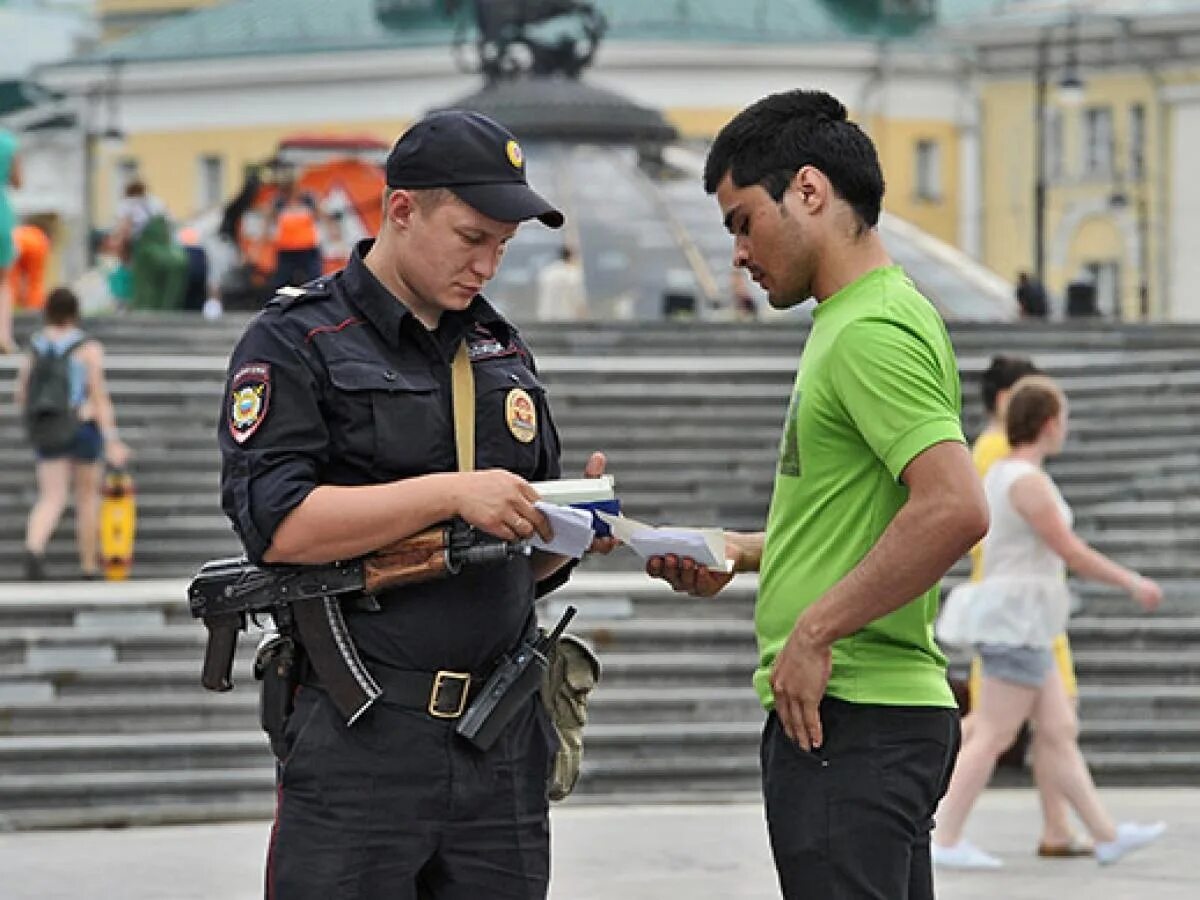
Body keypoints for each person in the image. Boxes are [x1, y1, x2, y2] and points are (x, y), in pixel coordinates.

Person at [219, 109, 612, 899]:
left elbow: (517, 558)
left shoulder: (500, 348)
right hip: (363, 733)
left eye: (502, 246)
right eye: (472, 238)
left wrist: (570, 533)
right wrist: (451, 493)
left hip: (499, 737)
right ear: (401, 209)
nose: (488, 265)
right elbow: (279, 525)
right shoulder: (298, 339)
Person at [646, 89, 989, 899]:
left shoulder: (867, 331)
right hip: (868, 720)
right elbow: (874, 517)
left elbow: (955, 507)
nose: (737, 251)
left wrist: (814, 630)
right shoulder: (867, 315)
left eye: (741, 222)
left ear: (808, 191)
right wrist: (749, 550)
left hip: (852, 716)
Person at [932, 375, 1166, 868]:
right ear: (1048, 423)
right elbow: (1069, 550)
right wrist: (1131, 581)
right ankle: (944, 835)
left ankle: (1104, 835)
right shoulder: (1025, 481)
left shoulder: (1004, 474)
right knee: (994, 733)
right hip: (1017, 621)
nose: (1065, 428)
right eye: (1062, 419)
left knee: (1057, 728)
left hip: (1024, 621)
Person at [962, 354, 1091, 857]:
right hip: (1017, 604)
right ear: (1005, 400)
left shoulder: (991, 449)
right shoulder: (998, 452)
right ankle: (936, 814)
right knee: (992, 727)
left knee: (1049, 721)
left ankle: (1059, 826)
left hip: (1023, 601)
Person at [14, 287, 131, 580]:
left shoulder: (37, 346)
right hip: (82, 426)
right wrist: (112, 438)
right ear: (75, 312)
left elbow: (21, 394)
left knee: (51, 496)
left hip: (49, 428)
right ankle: (88, 565)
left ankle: (34, 547)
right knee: (87, 497)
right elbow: (99, 396)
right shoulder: (87, 348)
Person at [113, 180, 187, 311]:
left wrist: (122, 253)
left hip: (144, 252)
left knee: (144, 290)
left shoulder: (127, 205)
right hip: (166, 251)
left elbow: (124, 232)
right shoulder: (156, 203)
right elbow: (171, 224)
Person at [267, 170, 323, 290]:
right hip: (286, 249)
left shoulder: (308, 199)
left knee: (315, 279)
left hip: (308, 247)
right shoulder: (279, 202)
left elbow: (322, 215)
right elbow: (269, 220)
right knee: (282, 282)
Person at [0, 127, 22, 352]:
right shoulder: (8, 142)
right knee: (4, 281)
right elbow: (17, 181)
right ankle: (3, 335)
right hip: (2, 214)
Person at [535, 244, 587, 321]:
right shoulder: (572, 273)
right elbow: (578, 297)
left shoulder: (547, 272)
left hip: (546, 317)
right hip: (566, 318)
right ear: (571, 256)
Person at [9, 222, 51, 311]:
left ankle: (31, 310)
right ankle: (34, 310)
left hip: (26, 243)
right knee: (34, 281)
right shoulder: (35, 236)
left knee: (11, 280)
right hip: (36, 240)